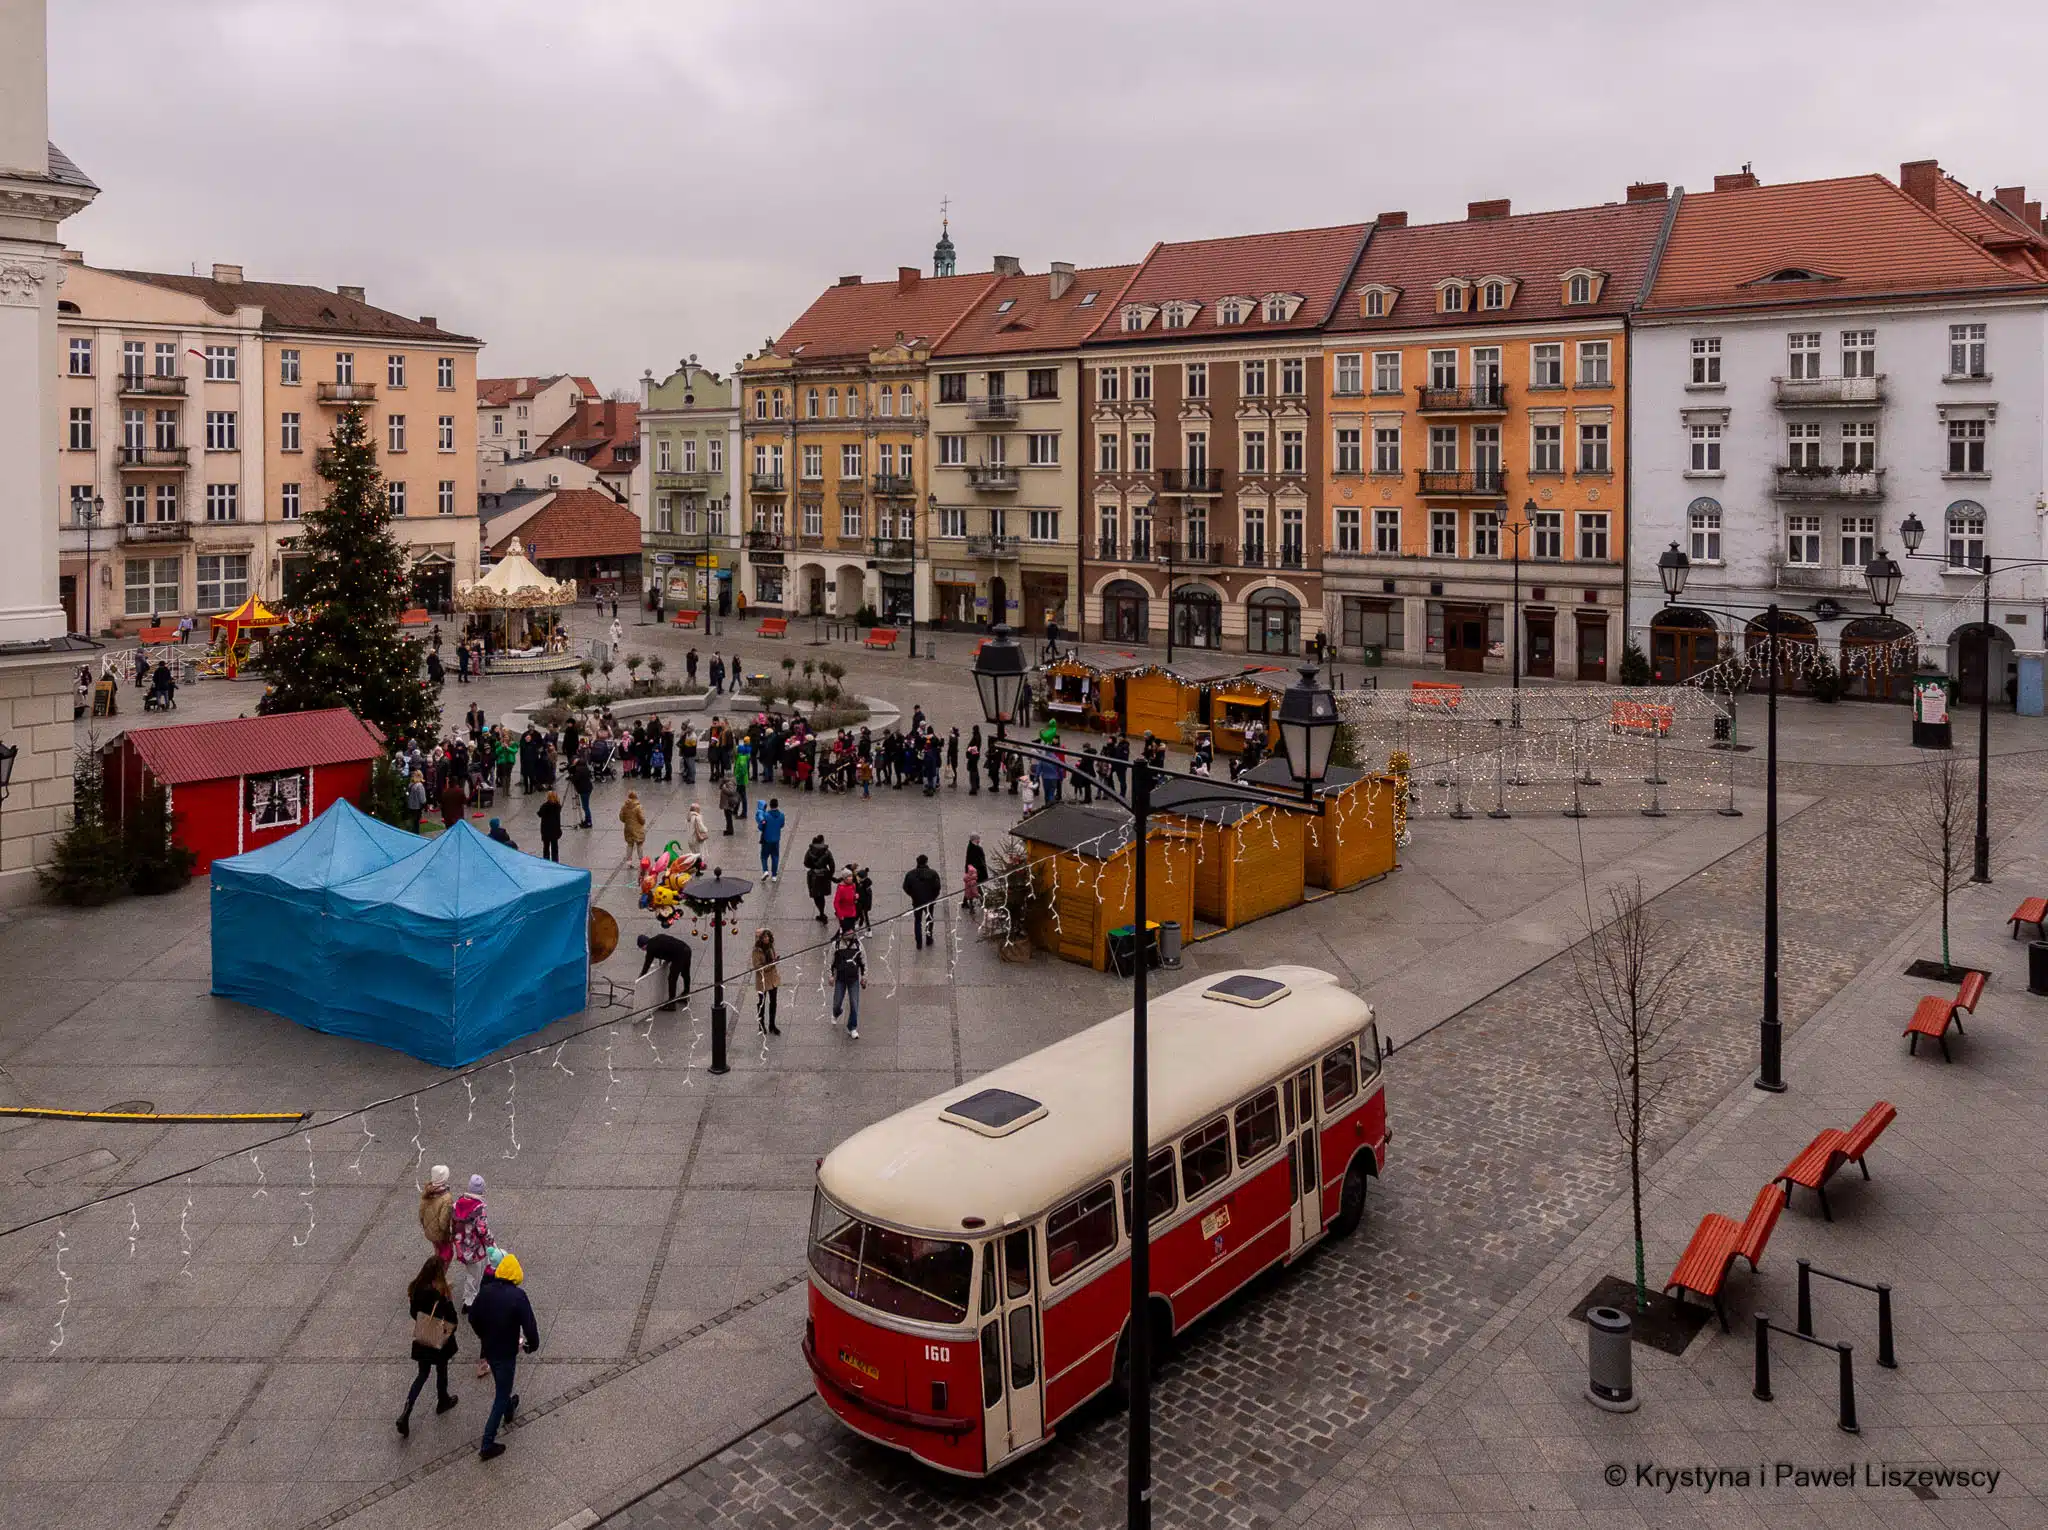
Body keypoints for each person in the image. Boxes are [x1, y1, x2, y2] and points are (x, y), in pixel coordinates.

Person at [469, 1248, 539, 1461]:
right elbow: (529, 1325)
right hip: (506, 1351)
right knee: (501, 1392)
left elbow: (472, 1317)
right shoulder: (518, 1296)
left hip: (490, 1348)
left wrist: (483, 1335)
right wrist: (531, 1345)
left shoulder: (486, 1291)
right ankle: (487, 1442)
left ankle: (509, 1408)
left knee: (503, 1384)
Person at [396, 1255, 459, 1437]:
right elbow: (452, 1318)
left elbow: (413, 1313)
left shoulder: (415, 1288)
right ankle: (443, 1400)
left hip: (423, 1337)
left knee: (422, 1374)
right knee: (442, 1368)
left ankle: (407, 1410)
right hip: (437, 1337)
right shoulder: (439, 1294)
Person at [450, 1174, 493, 1337]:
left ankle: (471, 1297)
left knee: (472, 1272)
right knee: (475, 1274)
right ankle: (469, 1301)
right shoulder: (479, 1208)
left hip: (462, 1246)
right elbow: (482, 1230)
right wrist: (491, 1242)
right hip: (475, 1248)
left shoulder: (457, 1204)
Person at [637, 930, 691, 1010]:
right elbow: (668, 946)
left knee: (672, 979)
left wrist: (639, 979)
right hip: (686, 949)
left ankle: (671, 1004)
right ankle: (686, 994)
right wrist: (667, 960)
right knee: (685, 974)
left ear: (644, 946)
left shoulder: (650, 948)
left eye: (642, 949)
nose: (644, 950)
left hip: (679, 956)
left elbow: (646, 965)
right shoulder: (658, 937)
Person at [830, 931, 866, 1039]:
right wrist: (831, 976)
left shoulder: (858, 945)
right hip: (840, 979)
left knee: (854, 1003)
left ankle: (852, 1027)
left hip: (853, 979)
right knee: (837, 1002)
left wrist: (864, 977)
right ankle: (836, 1012)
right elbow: (830, 962)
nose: (850, 933)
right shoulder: (836, 945)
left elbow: (864, 961)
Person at [903, 854, 942, 949]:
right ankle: (929, 938)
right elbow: (937, 887)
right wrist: (933, 897)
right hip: (929, 901)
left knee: (917, 921)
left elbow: (905, 887)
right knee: (929, 919)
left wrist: (913, 895)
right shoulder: (933, 874)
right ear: (926, 862)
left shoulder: (910, 874)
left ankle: (919, 942)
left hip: (917, 901)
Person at [418, 1165, 454, 1261]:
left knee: (438, 1250)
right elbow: (444, 1222)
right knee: (447, 1253)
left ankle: (436, 1266)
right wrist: (448, 1235)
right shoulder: (446, 1198)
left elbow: (421, 1212)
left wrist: (425, 1225)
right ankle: (439, 1273)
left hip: (430, 1230)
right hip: (440, 1234)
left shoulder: (427, 1191)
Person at [751, 928, 781, 1036]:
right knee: (761, 1003)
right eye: (764, 937)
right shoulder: (756, 951)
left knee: (773, 1002)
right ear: (760, 939)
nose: (767, 938)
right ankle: (761, 1024)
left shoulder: (770, 946)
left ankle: (772, 1025)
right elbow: (757, 967)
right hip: (762, 981)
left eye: (768, 936)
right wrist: (771, 965)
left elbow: (772, 958)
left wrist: (775, 961)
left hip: (773, 979)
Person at [803, 835, 835, 923]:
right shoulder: (827, 852)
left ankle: (821, 913)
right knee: (822, 895)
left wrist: (812, 867)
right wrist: (830, 874)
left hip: (813, 875)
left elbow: (806, 863)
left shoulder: (809, 851)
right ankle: (822, 913)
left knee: (816, 895)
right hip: (824, 874)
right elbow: (832, 865)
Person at [756, 795, 784, 881]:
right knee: (775, 856)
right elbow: (782, 825)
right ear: (777, 805)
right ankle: (774, 876)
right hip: (776, 839)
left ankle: (765, 871)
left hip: (767, 839)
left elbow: (760, 827)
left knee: (764, 856)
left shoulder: (766, 815)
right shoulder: (781, 815)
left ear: (770, 805)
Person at [619, 790, 646, 862]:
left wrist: (627, 821)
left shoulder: (624, 806)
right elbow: (642, 819)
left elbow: (621, 817)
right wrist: (642, 822)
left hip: (628, 828)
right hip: (637, 829)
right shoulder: (638, 807)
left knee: (630, 844)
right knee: (639, 844)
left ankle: (629, 861)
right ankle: (641, 860)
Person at [569, 753, 594, 829]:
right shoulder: (583, 766)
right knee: (585, 806)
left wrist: (571, 776)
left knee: (585, 807)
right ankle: (587, 820)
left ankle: (589, 822)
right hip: (587, 788)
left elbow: (574, 779)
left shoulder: (579, 769)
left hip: (584, 790)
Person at [537, 791, 563, 862]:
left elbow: (539, 814)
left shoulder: (544, 806)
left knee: (546, 847)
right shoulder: (558, 806)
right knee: (555, 848)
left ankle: (546, 861)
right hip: (555, 831)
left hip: (546, 831)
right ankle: (555, 861)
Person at [964, 834, 990, 907]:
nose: (979, 840)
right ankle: (983, 902)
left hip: (973, 870)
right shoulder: (976, 848)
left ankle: (965, 903)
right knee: (977, 887)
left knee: (970, 887)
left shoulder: (972, 847)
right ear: (974, 840)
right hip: (976, 871)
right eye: (978, 839)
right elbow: (979, 861)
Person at [854, 865, 875, 931]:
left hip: (863, 904)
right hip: (859, 903)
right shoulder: (861, 882)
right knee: (860, 915)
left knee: (865, 917)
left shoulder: (865, 886)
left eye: (858, 877)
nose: (857, 878)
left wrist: (866, 907)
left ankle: (869, 930)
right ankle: (860, 924)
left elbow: (868, 897)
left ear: (862, 878)